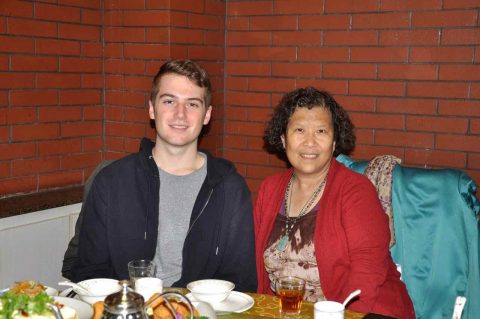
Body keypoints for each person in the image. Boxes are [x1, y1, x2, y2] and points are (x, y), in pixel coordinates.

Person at [65, 59, 257, 292]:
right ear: (151, 108)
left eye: (192, 104)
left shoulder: (230, 188)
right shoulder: (111, 181)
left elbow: (240, 282)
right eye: (169, 101)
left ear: (206, 115)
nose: (180, 114)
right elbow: (89, 271)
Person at [254, 87, 415, 318]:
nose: (310, 142)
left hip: (362, 312)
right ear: (283, 138)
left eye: (321, 131)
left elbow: (366, 273)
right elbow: (259, 274)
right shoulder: (270, 189)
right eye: (299, 130)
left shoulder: (356, 191)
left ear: (334, 140)